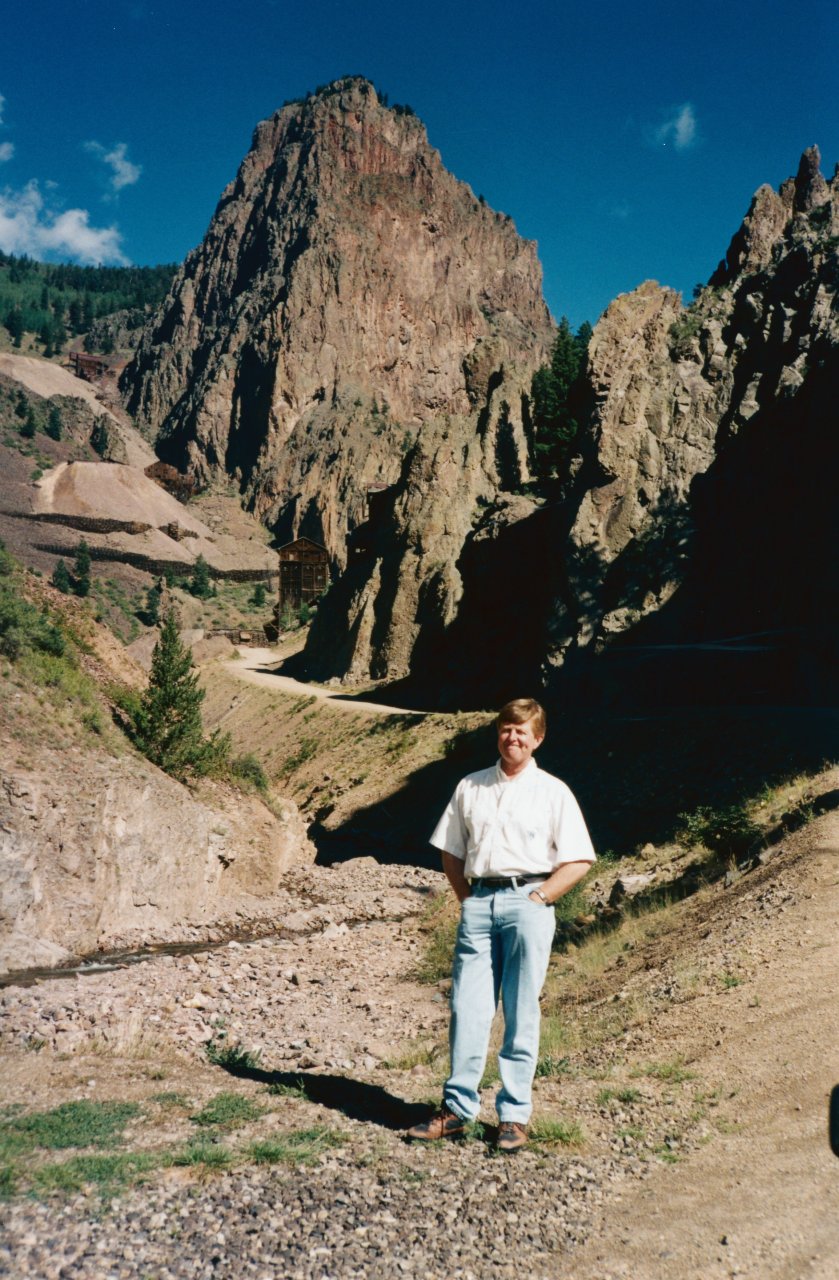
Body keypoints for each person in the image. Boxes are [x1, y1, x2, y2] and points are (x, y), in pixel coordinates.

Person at [407, 697, 595, 1153]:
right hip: (479, 902)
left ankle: (513, 1116)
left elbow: (580, 859)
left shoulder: (554, 792)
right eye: (507, 729)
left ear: (538, 739)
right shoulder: (471, 787)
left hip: (527, 903)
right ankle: (457, 1110)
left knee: (520, 1009)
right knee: (467, 1009)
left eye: (523, 731)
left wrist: (541, 896)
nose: (514, 737)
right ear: (499, 732)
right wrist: (467, 900)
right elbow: (451, 851)